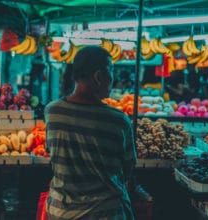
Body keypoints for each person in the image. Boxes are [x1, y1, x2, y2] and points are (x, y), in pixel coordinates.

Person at [44, 46, 139, 219]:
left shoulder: (52, 112)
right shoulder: (118, 121)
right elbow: (127, 167)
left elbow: (51, 153)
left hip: (60, 212)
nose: (113, 78)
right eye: (110, 71)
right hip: (105, 213)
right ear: (98, 77)